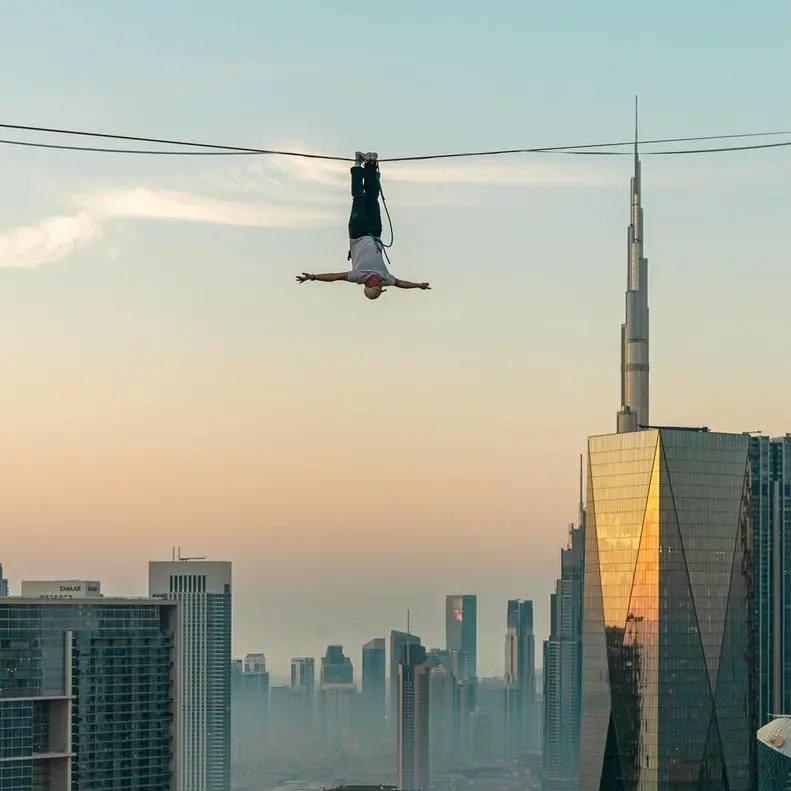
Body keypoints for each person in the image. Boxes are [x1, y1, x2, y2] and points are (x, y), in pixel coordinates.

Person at [296, 151, 430, 299]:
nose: (380, 282)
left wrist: (313, 277)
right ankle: (371, 166)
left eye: (377, 284)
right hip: (375, 233)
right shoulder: (386, 279)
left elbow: (334, 277)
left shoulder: (358, 276)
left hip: (358, 232)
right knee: (373, 199)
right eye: (380, 285)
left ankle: (358, 164)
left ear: (368, 284)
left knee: (359, 198)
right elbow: (399, 283)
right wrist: (418, 285)